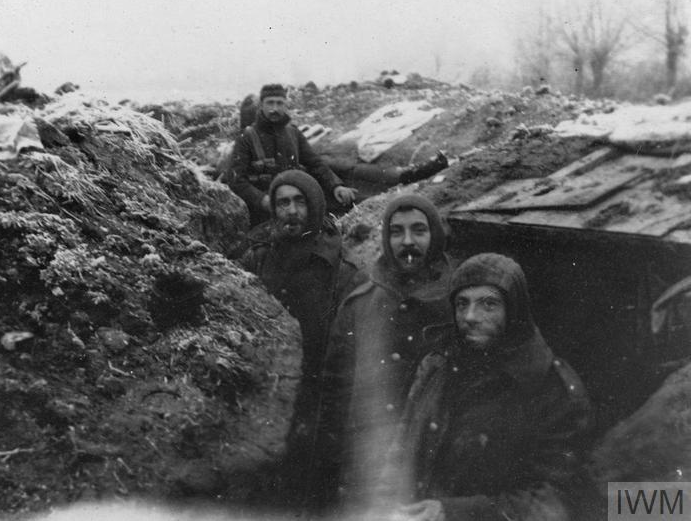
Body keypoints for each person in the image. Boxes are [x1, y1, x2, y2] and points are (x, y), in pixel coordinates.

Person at [379, 253, 592, 521]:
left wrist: (455, 512)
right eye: (461, 304)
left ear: (514, 310)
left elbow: (557, 499)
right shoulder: (436, 367)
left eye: (488, 304)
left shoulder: (553, 389)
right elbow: (400, 452)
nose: (470, 316)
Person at [318, 194, 454, 506]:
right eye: (396, 232)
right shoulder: (359, 303)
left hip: (434, 473)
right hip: (368, 468)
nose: (407, 241)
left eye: (419, 230)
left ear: (434, 235)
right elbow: (334, 397)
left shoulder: (460, 302)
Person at [240, 169, 359, 509]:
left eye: (300, 202)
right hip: (272, 383)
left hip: (322, 384)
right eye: (282, 203)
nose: (291, 211)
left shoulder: (340, 265)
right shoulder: (259, 255)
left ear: (315, 206)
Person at [228, 83, 356, 225]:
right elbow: (236, 180)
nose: (275, 108)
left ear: (285, 106)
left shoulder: (293, 133)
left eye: (279, 103)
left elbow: (315, 162)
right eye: (270, 103)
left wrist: (335, 185)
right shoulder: (247, 137)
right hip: (263, 208)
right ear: (261, 106)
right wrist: (262, 200)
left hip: (294, 200)